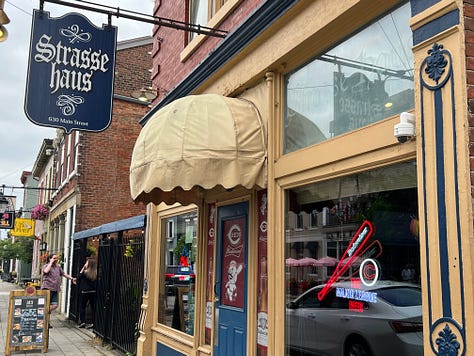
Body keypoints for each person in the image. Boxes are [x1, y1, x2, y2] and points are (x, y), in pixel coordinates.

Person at [41, 254, 77, 326]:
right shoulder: (46, 266)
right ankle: (46, 322)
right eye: (54, 258)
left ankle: (43, 313)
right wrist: (50, 263)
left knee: (55, 305)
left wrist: (71, 278)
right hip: (47, 288)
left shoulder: (58, 267)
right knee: (47, 304)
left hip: (55, 288)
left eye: (57, 258)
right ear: (50, 259)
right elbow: (45, 271)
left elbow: (63, 274)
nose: (56, 260)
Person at [77, 258, 97, 329]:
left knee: (82, 306)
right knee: (93, 307)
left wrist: (83, 267)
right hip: (93, 292)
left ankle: (82, 322)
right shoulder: (95, 273)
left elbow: (78, 277)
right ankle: (93, 322)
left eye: (86, 262)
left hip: (84, 292)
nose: (85, 263)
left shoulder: (85, 272)